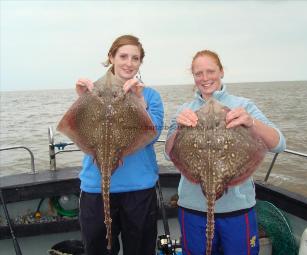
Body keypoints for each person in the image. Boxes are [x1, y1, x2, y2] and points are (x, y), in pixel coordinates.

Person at [165, 50, 286, 255]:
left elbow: (279, 144)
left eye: (210, 71)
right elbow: (169, 153)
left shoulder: (244, 106)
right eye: (198, 73)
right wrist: (179, 128)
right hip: (193, 208)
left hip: (236, 209)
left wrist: (251, 122)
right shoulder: (185, 110)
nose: (205, 78)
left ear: (221, 71)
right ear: (193, 77)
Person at [76, 35, 164, 255]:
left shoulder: (150, 96)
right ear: (111, 57)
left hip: (139, 189)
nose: (129, 62)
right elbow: (81, 135)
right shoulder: (92, 91)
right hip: (96, 187)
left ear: (140, 63)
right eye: (123, 56)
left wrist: (139, 100)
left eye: (135, 58)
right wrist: (82, 100)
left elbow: (152, 136)